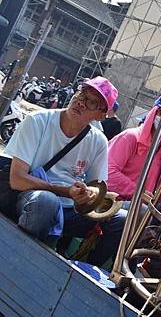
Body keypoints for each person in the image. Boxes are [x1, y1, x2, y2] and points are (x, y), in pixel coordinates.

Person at [4, 76, 126, 267]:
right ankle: (20, 264)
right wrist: (65, 191)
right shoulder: (38, 121)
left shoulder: (98, 141)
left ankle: (81, 272)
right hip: (30, 199)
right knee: (46, 201)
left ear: (102, 115)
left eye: (91, 102)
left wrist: (86, 196)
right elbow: (17, 180)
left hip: (70, 209)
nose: (81, 102)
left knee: (121, 220)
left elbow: (97, 191)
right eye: (81, 94)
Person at [107, 93, 161, 211]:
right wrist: (138, 193)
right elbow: (108, 172)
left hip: (140, 202)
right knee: (143, 211)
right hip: (113, 200)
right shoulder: (130, 137)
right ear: (154, 113)